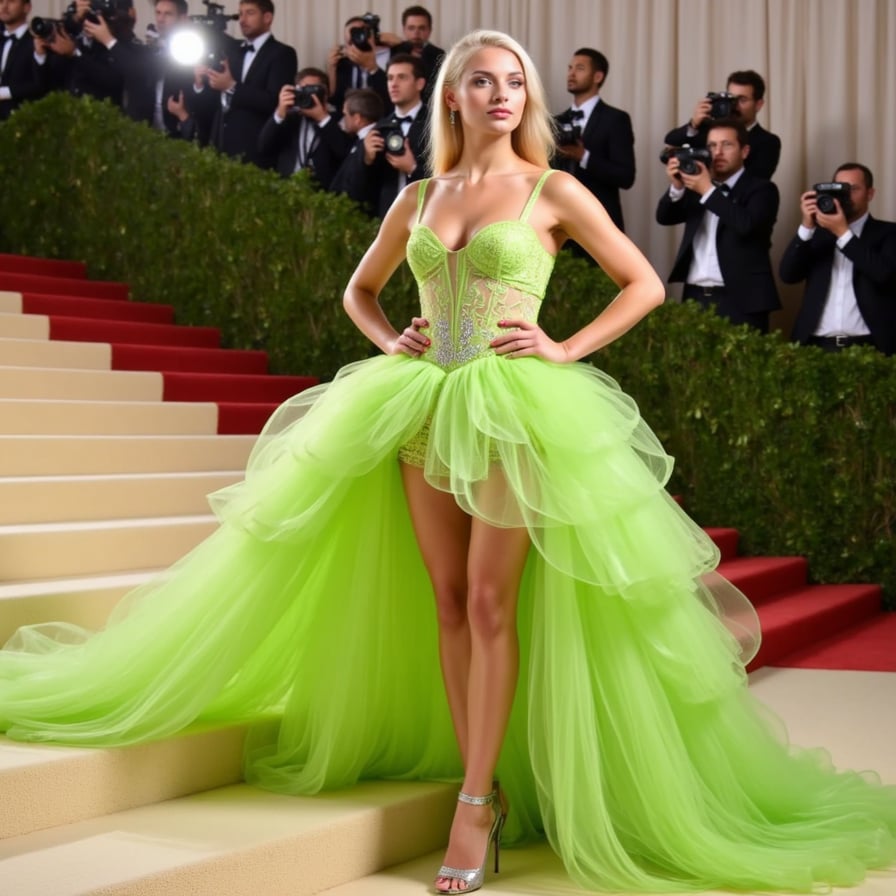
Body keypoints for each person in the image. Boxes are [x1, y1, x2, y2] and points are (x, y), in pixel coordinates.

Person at [1, 27, 895, 896]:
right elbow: (360, 290)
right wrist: (392, 338)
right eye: (483, 80)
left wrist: (563, 347)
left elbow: (645, 284)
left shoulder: (553, 188)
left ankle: (473, 806)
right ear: (454, 95)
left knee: (490, 600)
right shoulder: (419, 196)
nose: (502, 94)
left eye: (515, 81)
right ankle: (484, 779)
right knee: (449, 602)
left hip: (513, 410)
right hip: (420, 405)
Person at [656, 118, 780, 332]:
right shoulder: (697, 185)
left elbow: (746, 225)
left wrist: (707, 190)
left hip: (742, 300)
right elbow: (664, 217)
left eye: (727, 145)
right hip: (694, 296)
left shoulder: (763, 189)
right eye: (712, 146)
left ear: (744, 151)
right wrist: (677, 187)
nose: (718, 152)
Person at [779, 162, 896, 355]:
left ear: (870, 194)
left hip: (870, 347)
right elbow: (788, 275)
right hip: (815, 346)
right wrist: (806, 227)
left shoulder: (889, 233)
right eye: (840, 189)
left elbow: (885, 275)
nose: (845, 196)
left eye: (853, 189)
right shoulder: (817, 234)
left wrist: (843, 233)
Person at [191, 0, 297, 168]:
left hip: (256, 148)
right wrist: (200, 84)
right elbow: (218, 99)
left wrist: (231, 86)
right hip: (220, 146)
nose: (242, 19)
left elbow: (274, 101)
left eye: (250, 13)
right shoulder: (232, 50)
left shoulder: (283, 53)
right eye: (240, 13)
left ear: (267, 17)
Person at [330, 53, 428, 219]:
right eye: (390, 78)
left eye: (402, 77)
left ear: (420, 83)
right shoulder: (379, 129)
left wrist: (413, 169)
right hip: (388, 220)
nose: (393, 84)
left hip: (428, 218)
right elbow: (358, 190)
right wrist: (366, 159)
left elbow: (454, 178)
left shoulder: (438, 124)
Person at [552, 47, 635, 240]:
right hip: (559, 223)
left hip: (600, 223)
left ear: (598, 76)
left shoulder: (616, 119)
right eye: (570, 68)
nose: (571, 74)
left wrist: (584, 157)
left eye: (580, 68)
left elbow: (626, 177)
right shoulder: (555, 121)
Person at [664, 69, 782, 180]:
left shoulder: (768, 142)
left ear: (758, 105)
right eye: (731, 99)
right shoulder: (711, 130)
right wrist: (694, 124)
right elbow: (671, 142)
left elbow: (755, 182)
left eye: (742, 100)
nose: (734, 106)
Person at [257, 67, 351, 188]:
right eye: (303, 90)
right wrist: (279, 113)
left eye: (312, 90)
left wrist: (322, 118)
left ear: (325, 94)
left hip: (322, 192)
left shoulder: (338, 119)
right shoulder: (290, 117)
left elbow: (344, 152)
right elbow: (263, 147)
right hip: (287, 187)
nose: (308, 95)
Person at [327, 86, 385, 209]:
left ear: (357, 119)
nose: (343, 120)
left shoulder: (374, 142)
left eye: (345, 114)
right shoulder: (359, 140)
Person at [326, 13, 390, 115]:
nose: (356, 45)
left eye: (360, 37)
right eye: (350, 42)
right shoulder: (342, 63)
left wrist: (372, 68)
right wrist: (331, 68)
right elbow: (334, 100)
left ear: (372, 38)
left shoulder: (389, 56)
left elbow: (390, 98)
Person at [385, 5, 443, 103]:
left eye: (421, 28)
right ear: (404, 30)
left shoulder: (439, 55)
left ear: (429, 30)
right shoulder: (394, 51)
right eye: (411, 28)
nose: (416, 33)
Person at [0, 0, 46, 120]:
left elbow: (40, 84)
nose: (4, 6)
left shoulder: (37, 41)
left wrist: (4, 92)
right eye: (1, 2)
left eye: (11, 1)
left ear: (26, 7)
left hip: (22, 120)